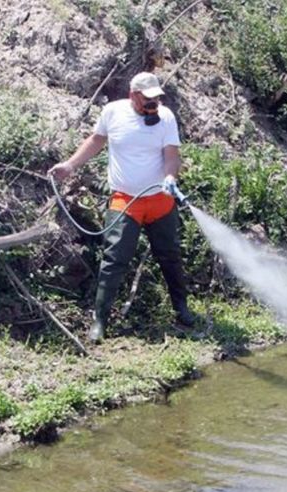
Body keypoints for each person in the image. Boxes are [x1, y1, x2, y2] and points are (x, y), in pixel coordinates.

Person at [49, 71, 195, 343]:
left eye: (156, 99)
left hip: (160, 201)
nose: (153, 105)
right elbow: (96, 141)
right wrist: (69, 166)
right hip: (125, 200)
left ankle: (181, 309)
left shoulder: (166, 118)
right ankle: (100, 321)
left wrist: (170, 178)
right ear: (133, 95)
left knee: (170, 256)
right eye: (147, 100)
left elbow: (172, 156)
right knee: (114, 259)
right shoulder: (113, 112)